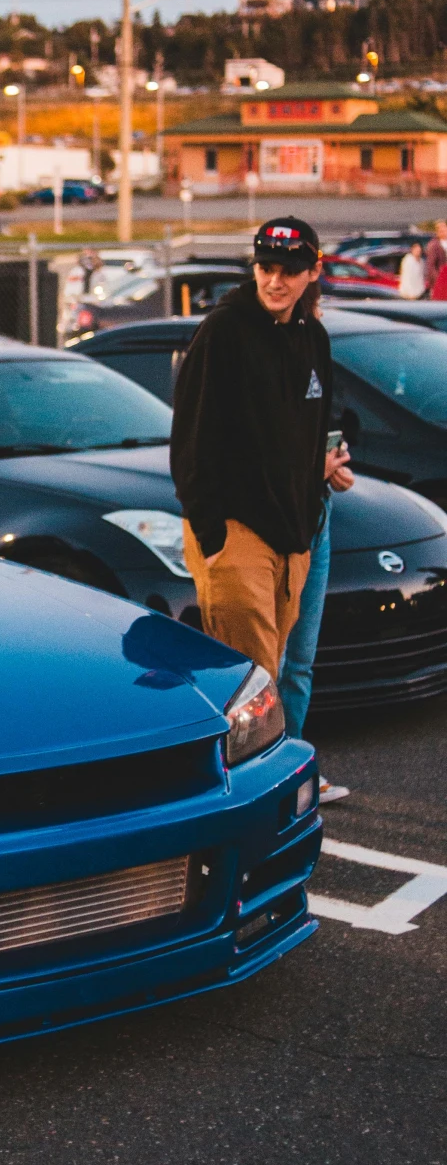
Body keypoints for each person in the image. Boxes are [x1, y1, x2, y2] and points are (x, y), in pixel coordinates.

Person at [171, 217, 344, 682]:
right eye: (265, 267)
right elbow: (190, 439)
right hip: (236, 531)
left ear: (313, 271)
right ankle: (244, 759)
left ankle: (264, 756)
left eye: (288, 270)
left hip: (293, 536)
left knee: (273, 676)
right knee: (251, 682)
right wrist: (212, 540)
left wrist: (323, 470)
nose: (274, 280)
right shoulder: (224, 331)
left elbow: (312, 427)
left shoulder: (313, 337)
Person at [274, 292, 353, 804]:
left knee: (301, 658)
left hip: (316, 512)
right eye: (317, 310)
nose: (320, 320)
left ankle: (296, 762)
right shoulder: (261, 359)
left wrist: (334, 465)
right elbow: (258, 450)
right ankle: (267, 771)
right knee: (272, 659)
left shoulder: (315, 363)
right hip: (277, 523)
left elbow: (314, 436)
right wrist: (312, 468)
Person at [424, 221, 447, 291]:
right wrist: (439, 281)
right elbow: (431, 266)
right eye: (440, 230)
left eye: (444, 229)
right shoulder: (433, 245)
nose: (443, 231)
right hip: (439, 282)